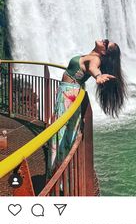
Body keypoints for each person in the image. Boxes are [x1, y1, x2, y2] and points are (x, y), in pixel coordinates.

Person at [49, 39, 127, 171]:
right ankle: (60, 170)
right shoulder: (92, 55)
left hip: (69, 94)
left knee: (61, 131)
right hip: (68, 92)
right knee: (64, 131)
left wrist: (98, 76)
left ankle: (58, 172)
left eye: (106, 43)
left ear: (104, 52)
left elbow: (93, 68)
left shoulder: (95, 59)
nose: (104, 40)